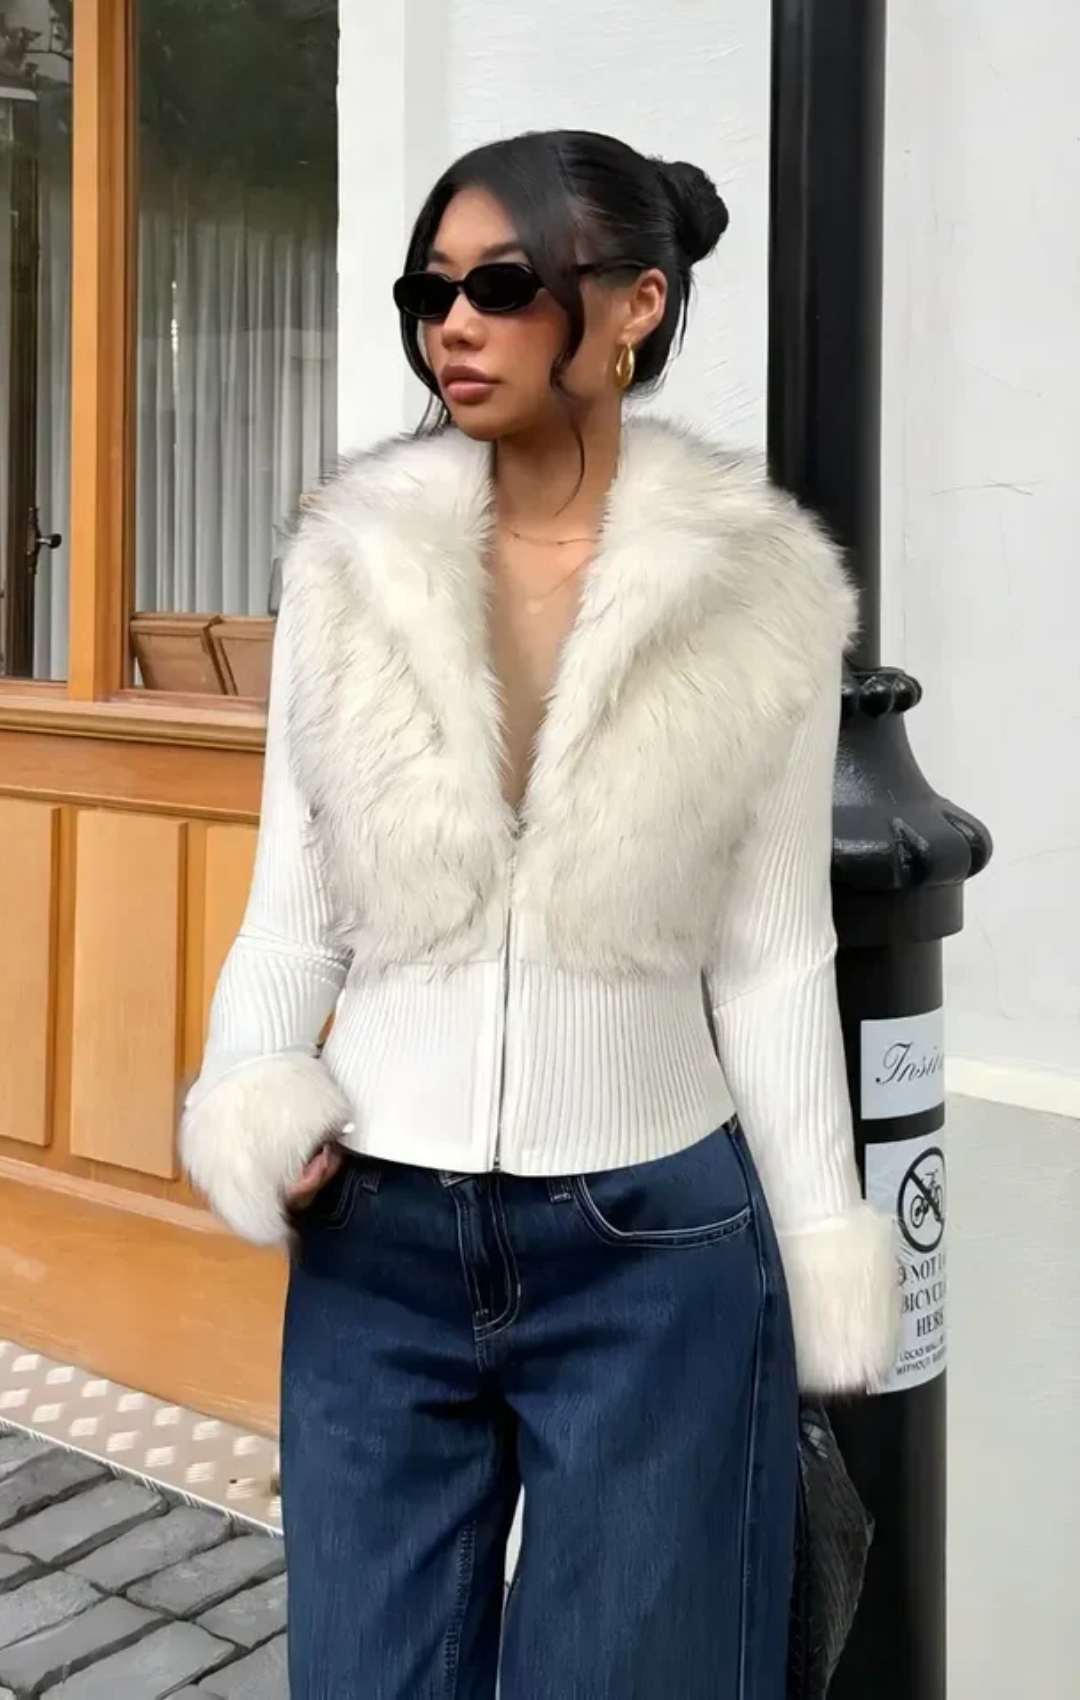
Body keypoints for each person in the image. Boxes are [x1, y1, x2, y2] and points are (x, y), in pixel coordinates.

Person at [182, 130, 897, 1700]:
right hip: (376, 1246)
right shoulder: (347, 571)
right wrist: (254, 1089)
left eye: (502, 286)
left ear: (636, 305)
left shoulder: (756, 592)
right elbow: (293, 912)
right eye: (430, 291)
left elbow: (775, 959)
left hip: (656, 1254)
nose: (456, 323)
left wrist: (823, 1251)